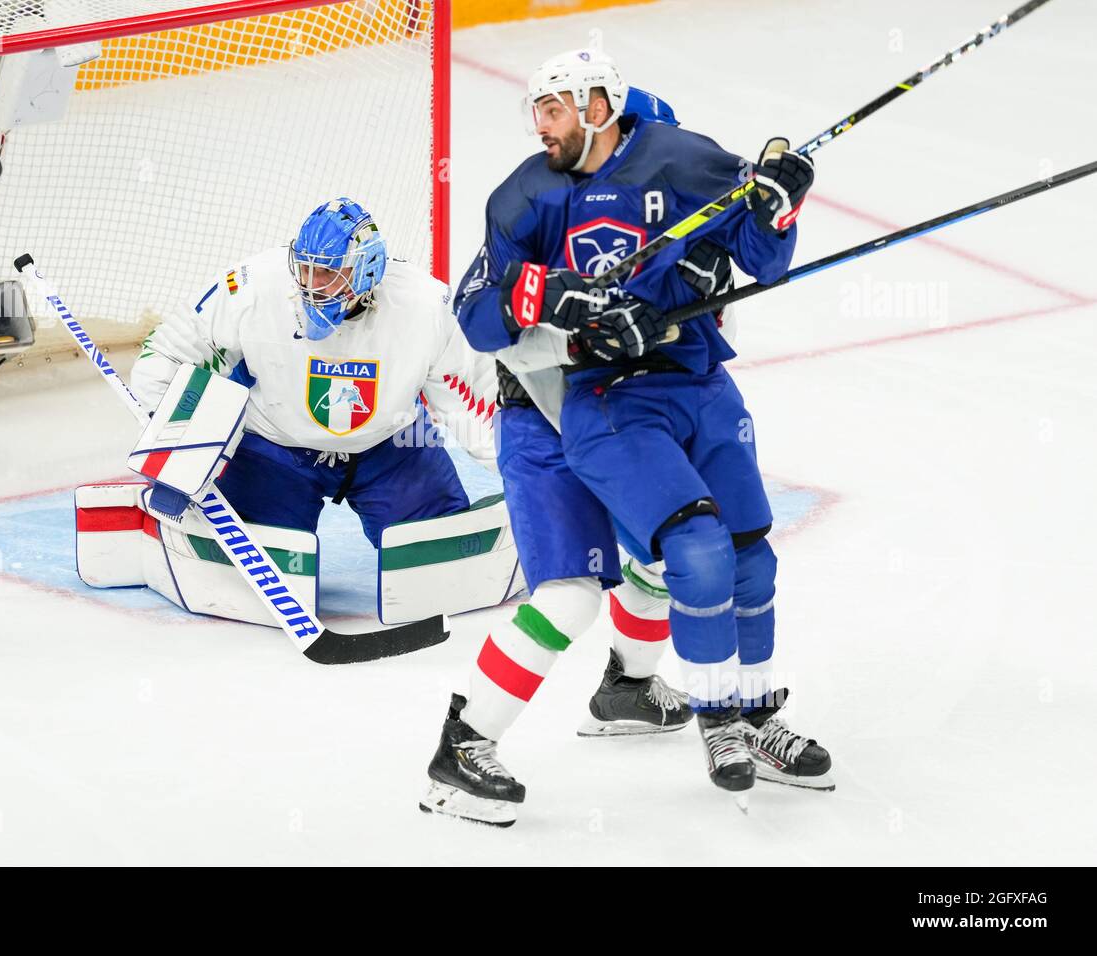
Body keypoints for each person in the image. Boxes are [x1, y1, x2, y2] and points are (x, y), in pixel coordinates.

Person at [420, 43, 832, 826]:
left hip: (627, 411)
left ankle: (629, 690)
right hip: (542, 412)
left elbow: (747, 268)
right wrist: (563, 305)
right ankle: (462, 746)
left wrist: (770, 214)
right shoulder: (532, 202)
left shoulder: (679, 203)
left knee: (672, 556)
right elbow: (481, 318)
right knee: (573, 594)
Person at [124, 197, 505, 620]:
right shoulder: (252, 286)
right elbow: (164, 355)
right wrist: (188, 445)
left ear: (367, 269)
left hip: (391, 449)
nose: (310, 283)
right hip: (275, 451)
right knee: (252, 587)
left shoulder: (426, 305)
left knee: (440, 571)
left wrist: (534, 481)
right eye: (304, 268)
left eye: (326, 272)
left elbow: (479, 402)